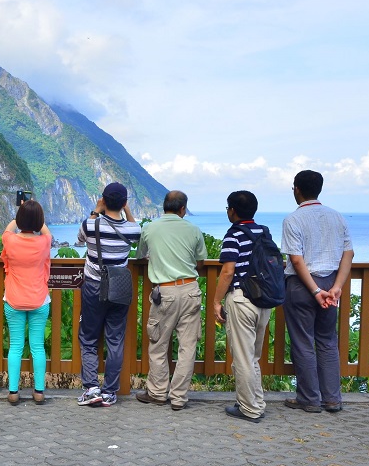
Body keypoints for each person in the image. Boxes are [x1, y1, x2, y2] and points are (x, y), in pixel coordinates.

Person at [282, 170, 353, 414]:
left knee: (303, 343)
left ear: (297, 190)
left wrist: (314, 290)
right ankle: (332, 399)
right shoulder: (337, 217)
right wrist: (336, 288)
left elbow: (297, 260)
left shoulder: (293, 219)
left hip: (302, 287)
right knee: (327, 341)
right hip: (331, 284)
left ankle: (309, 399)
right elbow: (348, 254)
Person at [134, 191, 206, 411]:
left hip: (164, 292)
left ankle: (156, 392)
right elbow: (201, 262)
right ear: (183, 209)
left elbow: (139, 257)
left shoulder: (150, 228)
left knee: (158, 344)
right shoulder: (193, 229)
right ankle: (178, 397)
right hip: (190, 290)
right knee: (187, 347)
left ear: (163, 206)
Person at [76, 183, 141, 407]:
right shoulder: (132, 229)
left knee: (88, 337)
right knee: (115, 339)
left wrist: (96, 209)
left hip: (94, 286)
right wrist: (127, 210)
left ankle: (92, 388)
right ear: (123, 203)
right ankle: (110, 391)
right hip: (119, 288)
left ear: (103, 199)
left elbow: (80, 239)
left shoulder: (91, 224)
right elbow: (137, 231)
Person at [212, 191, 273, 423]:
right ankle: (256, 402)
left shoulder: (234, 234)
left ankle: (249, 409)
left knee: (243, 358)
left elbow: (228, 271)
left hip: (242, 299)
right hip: (264, 301)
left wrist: (216, 302)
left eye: (228, 208)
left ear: (233, 211)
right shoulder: (263, 231)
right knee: (253, 357)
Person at [1, 199, 52, 405]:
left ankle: (13, 392)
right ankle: (38, 392)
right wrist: (34, 217)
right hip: (39, 300)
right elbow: (46, 232)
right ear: (39, 221)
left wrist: (19, 214)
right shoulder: (44, 242)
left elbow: (8, 229)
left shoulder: (10, 241)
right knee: (37, 347)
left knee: (15, 346)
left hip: (13, 300)